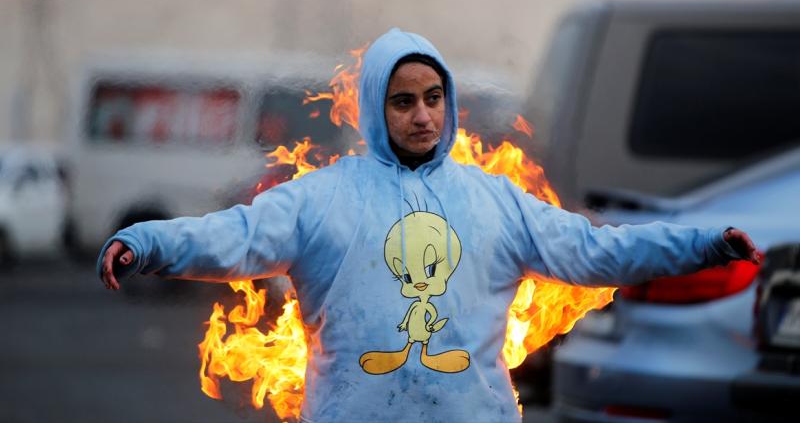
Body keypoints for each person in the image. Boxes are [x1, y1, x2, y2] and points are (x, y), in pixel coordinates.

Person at [99, 27, 757, 422]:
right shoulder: (322, 199)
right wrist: (144, 242)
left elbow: (596, 252)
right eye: (404, 100)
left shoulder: (495, 200)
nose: (422, 115)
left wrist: (703, 245)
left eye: (434, 98)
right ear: (373, 108)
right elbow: (233, 238)